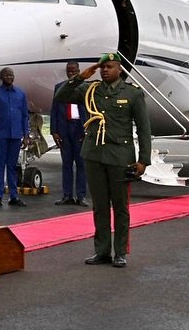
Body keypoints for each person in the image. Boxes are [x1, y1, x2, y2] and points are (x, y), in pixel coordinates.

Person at [55, 52, 151, 268]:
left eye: (109, 66)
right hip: (94, 155)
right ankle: (102, 251)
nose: (105, 70)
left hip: (120, 157)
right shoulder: (91, 89)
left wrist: (143, 160)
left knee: (120, 207)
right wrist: (81, 77)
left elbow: (144, 128)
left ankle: (120, 252)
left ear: (119, 69)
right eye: (102, 67)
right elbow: (61, 96)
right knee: (99, 206)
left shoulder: (132, 94)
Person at [50, 61, 89, 206]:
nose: (71, 72)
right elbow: (54, 110)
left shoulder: (85, 87)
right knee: (66, 164)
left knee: (81, 164)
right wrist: (54, 131)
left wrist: (88, 130)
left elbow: (90, 110)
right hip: (64, 129)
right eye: (69, 70)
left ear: (79, 71)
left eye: (74, 70)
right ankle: (67, 195)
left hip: (80, 128)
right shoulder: (59, 88)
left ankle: (81, 196)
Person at [0, 67, 29, 207]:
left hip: (16, 135)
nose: (8, 77)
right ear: (1, 77)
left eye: (11, 75)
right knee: (0, 165)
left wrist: (26, 135)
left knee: (12, 166)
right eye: (6, 75)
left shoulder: (20, 94)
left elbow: (25, 115)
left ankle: (14, 196)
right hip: (1, 135)